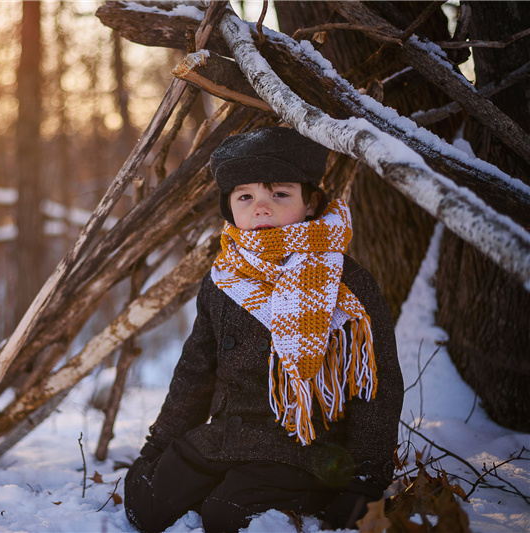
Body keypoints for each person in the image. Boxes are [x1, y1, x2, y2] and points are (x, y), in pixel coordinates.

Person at [124, 127, 403, 533]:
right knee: (147, 505)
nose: (262, 208)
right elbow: (194, 373)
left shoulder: (345, 283)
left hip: (305, 448)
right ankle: (217, 487)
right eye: (245, 197)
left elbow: (377, 387)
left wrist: (364, 479)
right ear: (230, 209)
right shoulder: (224, 279)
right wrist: (160, 444)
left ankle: (284, 499)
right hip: (226, 437)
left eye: (280, 194)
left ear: (311, 203)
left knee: (228, 516)